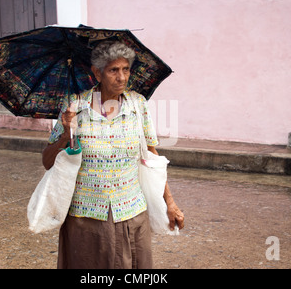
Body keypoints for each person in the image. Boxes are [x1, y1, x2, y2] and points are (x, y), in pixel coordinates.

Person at [42, 41, 184, 269]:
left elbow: (151, 157)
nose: (122, 77)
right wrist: (65, 135)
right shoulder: (74, 107)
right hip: (85, 217)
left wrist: (171, 203)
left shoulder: (138, 105)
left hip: (131, 213)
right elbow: (47, 162)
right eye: (113, 70)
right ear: (97, 72)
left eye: (126, 69)